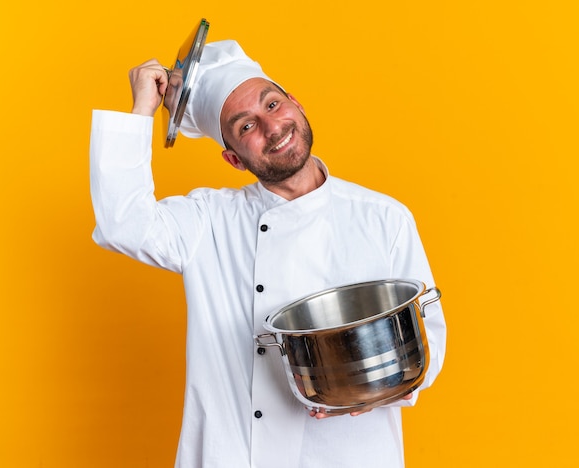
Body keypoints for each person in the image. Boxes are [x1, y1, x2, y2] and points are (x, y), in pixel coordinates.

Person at [90, 39, 446, 468]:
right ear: (233, 159)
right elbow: (121, 224)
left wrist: (375, 389)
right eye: (246, 127)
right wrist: (141, 111)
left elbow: (430, 337)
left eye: (273, 104)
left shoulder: (383, 218)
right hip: (233, 456)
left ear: (295, 102)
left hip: (350, 454)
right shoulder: (209, 221)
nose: (272, 127)